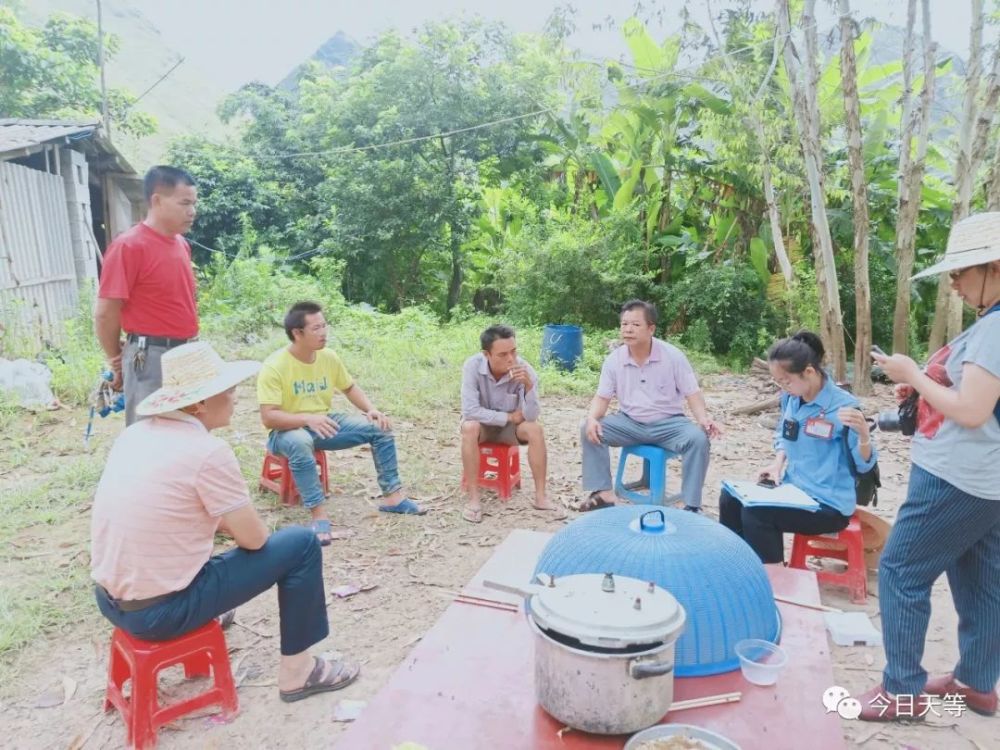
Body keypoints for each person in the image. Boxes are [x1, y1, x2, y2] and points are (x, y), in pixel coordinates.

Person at [90, 342, 360, 702]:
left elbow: (169, 511)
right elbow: (254, 541)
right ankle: (299, 671)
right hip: (159, 614)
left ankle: (209, 613)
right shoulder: (208, 453)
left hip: (110, 600)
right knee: (301, 545)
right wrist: (238, 521)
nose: (235, 398)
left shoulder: (134, 435)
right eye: (228, 391)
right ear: (200, 403)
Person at [861, 212, 1000, 721]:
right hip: (986, 479)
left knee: (900, 570)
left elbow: (971, 410)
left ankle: (901, 691)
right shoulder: (989, 326)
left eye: (961, 273)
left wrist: (914, 374)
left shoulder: (994, 330)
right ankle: (976, 682)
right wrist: (921, 388)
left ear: (994, 267)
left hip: (956, 478)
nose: (955, 283)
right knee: (981, 579)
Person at [258, 301, 425, 545]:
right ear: (297, 333)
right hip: (285, 432)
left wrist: (371, 409)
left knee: (380, 428)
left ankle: (393, 497)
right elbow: (268, 417)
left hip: (324, 424)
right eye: (315, 328)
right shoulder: (275, 366)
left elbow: (349, 387)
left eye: (324, 326)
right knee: (301, 440)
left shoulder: (328, 357)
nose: (323, 333)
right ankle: (318, 515)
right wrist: (306, 419)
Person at [718, 331, 876, 563]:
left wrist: (863, 435)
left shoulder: (844, 408)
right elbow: (785, 433)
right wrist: (777, 464)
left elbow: (864, 465)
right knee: (729, 498)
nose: (783, 387)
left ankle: (772, 580)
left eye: (786, 381)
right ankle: (737, 564)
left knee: (757, 513)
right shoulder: (791, 398)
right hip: (794, 490)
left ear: (809, 372)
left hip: (827, 504)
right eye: (778, 382)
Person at [580, 299, 721, 513]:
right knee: (589, 429)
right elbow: (602, 398)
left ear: (651, 328)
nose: (628, 329)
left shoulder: (672, 356)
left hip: (669, 424)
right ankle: (604, 493)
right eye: (624, 324)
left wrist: (703, 419)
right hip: (629, 423)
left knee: (698, 439)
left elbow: (692, 393)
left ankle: (691, 504)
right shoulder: (614, 360)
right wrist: (592, 418)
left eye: (635, 325)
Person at [94, 166, 200, 426]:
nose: (192, 211)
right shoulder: (129, 246)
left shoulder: (180, 244)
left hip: (186, 351)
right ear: (157, 200)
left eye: (194, 203)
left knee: (187, 428)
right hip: (151, 356)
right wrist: (116, 360)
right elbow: (106, 312)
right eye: (184, 203)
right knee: (150, 433)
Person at [460, 325, 558, 523]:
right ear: (486, 354)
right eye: (503, 354)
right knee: (469, 427)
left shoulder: (525, 370)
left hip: (510, 430)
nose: (511, 359)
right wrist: (508, 417)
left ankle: (540, 497)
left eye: (513, 351)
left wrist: (529, 387)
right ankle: (473, 500)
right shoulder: (472, 367)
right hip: (484, 427)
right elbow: (470, 411)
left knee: (535, 430)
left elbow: (530, 416)